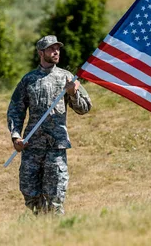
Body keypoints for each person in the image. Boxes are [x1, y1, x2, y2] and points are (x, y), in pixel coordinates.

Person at [7, 35, 92, 215]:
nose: (56, 52)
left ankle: (55, 231)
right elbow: (15, 110)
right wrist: (16, 136)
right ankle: (39, 227)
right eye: (51, 49)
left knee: (55, 196)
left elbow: (85, 108)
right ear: (41, 52)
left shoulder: (67, 78)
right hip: (32, 146)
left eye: (58, 49)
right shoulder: (28, 80)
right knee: (30, 193)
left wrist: (73, 94)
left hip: (56, 147)